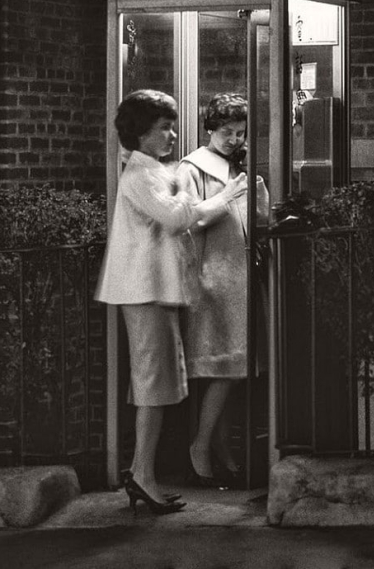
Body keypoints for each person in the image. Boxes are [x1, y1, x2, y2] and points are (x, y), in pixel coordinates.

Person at [95, 89, 247, 515]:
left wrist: (213, 197)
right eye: (164, 128)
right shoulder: (141, 175)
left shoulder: (151, 171)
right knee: (152, 388)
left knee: (157, 387)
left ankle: (142, 472)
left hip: (155, 292)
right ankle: (141, 474)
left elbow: (189, 214)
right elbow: (180, 216)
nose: (172, 135)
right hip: (144, 291)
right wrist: (198, 191)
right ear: (142, 133)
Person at [177, 93, 269, 488]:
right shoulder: (192, 168)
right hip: (212, 277)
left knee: (236, 368)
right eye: (227, 132)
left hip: (240, 275)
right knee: (226, 368)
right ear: (210, 130)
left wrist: (257, 194)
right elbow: (185, 221)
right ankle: (200, 447)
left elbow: (259, 219)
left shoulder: (239, 168)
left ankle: (221, 452)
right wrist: (226, 196)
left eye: (240, 133)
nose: (233, 139)